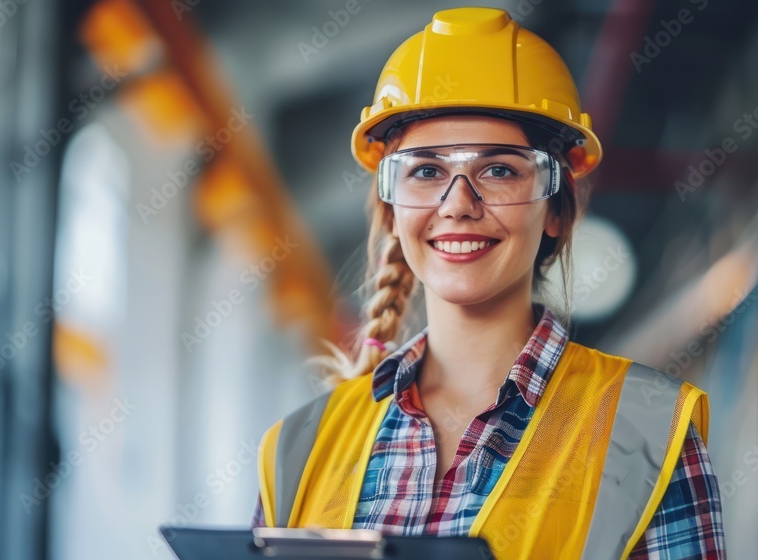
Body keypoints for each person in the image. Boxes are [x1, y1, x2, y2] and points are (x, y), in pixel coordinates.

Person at [253, 7, 725, 559]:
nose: (457, 205)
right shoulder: (297, 449)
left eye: (499, 170)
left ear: (555, 211)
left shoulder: (648, 433)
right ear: (392, 212)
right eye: (426, 171)